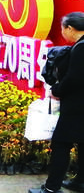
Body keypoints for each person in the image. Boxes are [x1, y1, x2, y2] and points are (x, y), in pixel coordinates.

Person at [29, 12, 84, 193]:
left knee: (61, 144)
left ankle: (52, 188)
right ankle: (80, 182)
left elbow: (74, 79)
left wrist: (56, 91)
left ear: (70, 28)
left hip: (76, 106)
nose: (62, 32)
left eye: (63, 28)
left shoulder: (80, 48)